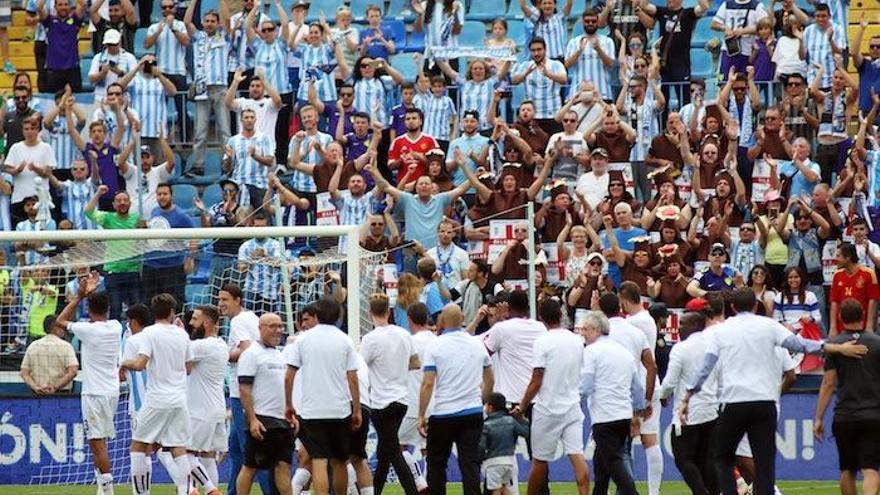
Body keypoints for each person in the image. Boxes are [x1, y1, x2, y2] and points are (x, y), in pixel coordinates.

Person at [682, 287, 869, 495]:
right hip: (764, 403)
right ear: (755, 305)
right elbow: (802, 345)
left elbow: (705, 367)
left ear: (733, 307)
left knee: (722, 457)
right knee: (764, 462)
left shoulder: (721, 330)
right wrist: (838, 348)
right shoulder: (769, 326)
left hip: (734, 402)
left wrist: (688, 395)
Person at [122, 294, 221, 495]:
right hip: (179, 399)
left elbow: (140, 364)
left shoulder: (149, 333)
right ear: (172, 312)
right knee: (178, 448)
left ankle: (141, 494)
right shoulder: (181, 335)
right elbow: (189, 367)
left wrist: (124, 363)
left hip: (157, 398)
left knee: (138, 447)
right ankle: (189, 491)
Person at [284, 297, 362, 495]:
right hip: (339, 409)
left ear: (316, 315)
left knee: (318, 461)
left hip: (312, 410)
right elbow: (353, 378)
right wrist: (357, 410)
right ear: (338, 316)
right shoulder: (345, 340)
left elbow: (289, 376)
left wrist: (288, 404)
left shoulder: (302, 340)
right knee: (340, 461)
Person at [515, 299, 590, 495]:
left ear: (541, 318)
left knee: (539, 461)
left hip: (547, 408)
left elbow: (537, 379)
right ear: (560, 315)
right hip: (572, 406)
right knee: (577, 456)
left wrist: (522, 407)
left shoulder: (542, 341)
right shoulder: (576, 340)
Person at [55, 272, 121, 495]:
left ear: (89, 310)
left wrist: (79, 296)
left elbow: (60, 322)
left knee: (96, 443)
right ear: (109, 309)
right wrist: (90, 296)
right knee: (99, 442)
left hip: (94, 394)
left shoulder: (88, 330)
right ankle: (102, 491)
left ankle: (108, 490)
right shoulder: (116, 326)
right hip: (112, 392)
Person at [418, 303, 493, 495]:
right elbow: (490, 379)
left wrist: (421, 415)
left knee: (436, 463)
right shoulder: (476, 344)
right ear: (462, 319)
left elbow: (427, 383)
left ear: (442, 320)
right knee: (469, 463)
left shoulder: (435, 346)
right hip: (472, 411)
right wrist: (482, 400)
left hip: (443, 412)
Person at [814, 299, 880, 495]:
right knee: (871, 469)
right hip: (873, 415)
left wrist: (818, 417)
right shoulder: (877, 343)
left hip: (845, 415)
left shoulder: (835, 345)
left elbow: (828, 384)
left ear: (841, 318)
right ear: (863, 315)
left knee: (847, 469)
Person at [579, 310, 646, 495]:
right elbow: (637, 388)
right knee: (601, 463)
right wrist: (638, 412)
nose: (582, 333)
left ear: (596, 329)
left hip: (604, 416)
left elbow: (586, 385)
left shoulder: (591, 352)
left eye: (585, 329)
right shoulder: (623, 352)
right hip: (623, 415)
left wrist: (577, 401)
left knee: (613, 462)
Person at [360, 293, 421, 495]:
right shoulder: (403, 334)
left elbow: (360, 366)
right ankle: (375, 490)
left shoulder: (370, 339)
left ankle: (412, 490)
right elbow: (415, 362)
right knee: (385, 450)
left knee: (392, 450)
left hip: (381, 402)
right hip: (402, 399)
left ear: (370, 313)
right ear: (389, 311)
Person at [657, 305, 719, 495]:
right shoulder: (713, 345)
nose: (678, 327)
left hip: (688, 414)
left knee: (683, 459)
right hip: (711, 411)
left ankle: (701, 492)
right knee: (705, 459)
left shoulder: (681, 349)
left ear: (695, 325)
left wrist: (662, 396)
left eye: (683, 323)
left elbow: (669, 382)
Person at [220, 283, 274, 495]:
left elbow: (246, 350)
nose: (221, 304)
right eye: (220, 299)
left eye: (225, 299)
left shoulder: (238, 321)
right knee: (235, 450)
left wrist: (223, 355)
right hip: (247, 390)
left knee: (252, 451)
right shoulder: (251, 317)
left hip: (240, 391)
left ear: (237, 300)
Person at [235, 312, 294, 495]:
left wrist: (291, 413)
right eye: (273, 326)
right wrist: (252, 419)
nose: (278, 330)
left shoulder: (280, 354)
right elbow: (244, 389)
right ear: (260, 329)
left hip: (282, 421)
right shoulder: (251, 354)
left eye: (280, 326)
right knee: (250, 466)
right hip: (262, 420)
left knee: (283, 466)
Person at [184, 0, 232, 177]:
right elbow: (187, 22)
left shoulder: (224, 36)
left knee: (225, 130)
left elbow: (227, 21)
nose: (209, 23)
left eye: (213, 21)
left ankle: (228, 165)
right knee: (200, 131)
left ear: (217, 23)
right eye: (207, 21)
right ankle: (198, 165)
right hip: (202, 88)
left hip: (220, 87)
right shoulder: (198, 37)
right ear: (203, 22)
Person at [185, 306, 229, 492]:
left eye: (194, 319)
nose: (190, 323)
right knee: (207, 457)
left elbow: (180, 363)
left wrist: (177, 333)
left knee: (182, 454)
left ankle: (211, 490)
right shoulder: (220, 344)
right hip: (216, 408)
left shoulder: (202, 346)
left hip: (200, 410)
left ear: (206, 323)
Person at [84, 187, 141, 320]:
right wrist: (98, 193)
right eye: (119, 200)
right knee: (115, 309)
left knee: (136, 309)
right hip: (113, 271)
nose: (122, 202)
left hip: (133, 270)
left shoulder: (136, 219)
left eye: (125, 200)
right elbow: (88, 212)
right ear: (114, 204)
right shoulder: (108, 218)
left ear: (130, 203)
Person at [142, 183, 195, 311]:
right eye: (159, 194)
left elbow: (194, 237)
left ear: (171, 196)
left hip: (173, 267)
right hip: (151, 265)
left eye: (165, 194)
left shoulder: (182, 216)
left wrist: (190, 258)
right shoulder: (154, 212)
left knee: (175, 304)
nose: (162, 197)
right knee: (150, 304)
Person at [399, 303, 434, 492]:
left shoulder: (410, 343)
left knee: (397, 447)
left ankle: (419, 481)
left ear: (409, 319)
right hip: (434, 404)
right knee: (427, 449)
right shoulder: (436, 341)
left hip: (414, 404)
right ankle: (428, 484)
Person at [481, 392, 530, 495]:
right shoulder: (511, 421)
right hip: (509, 462)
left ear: (490, 407)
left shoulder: (486, 425)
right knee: (504, 488)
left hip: (494, 462)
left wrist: (480, 458)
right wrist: (523, 419)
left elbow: (481, 446)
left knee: (496, 490)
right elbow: (525, 433)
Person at [829, 242, 880, 336]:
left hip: (863, 326)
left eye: (838, 256)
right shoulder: (837, 275)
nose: (836, 259)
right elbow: (834, 302)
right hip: (842, 328)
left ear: (848, 257)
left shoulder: (868, 274)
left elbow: (873, 301)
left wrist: (869, 326)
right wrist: (833, 327)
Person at [19, 315, 78, 394]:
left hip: (38, 394)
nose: (64, 330)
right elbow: (73, 371)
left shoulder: (33, 346)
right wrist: (55, 387)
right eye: (62, 327)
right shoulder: (66, 346)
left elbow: (24, 373)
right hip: (62, 396)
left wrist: (36, 388)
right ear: (56, 329)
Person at [37, 0, 86, 92]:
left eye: (66, 4)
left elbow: (83, 4)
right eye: (60, 5)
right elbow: (39, 7)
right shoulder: (49, 20)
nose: (63, 7)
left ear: (69, 6)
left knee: (76, 100)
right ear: (55, 7)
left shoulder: (75, 20)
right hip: (54, 69)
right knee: (52, 101)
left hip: (72, 68)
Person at [88, 29, 139, 103]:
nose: (112, 47)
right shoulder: (98, 57)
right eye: (109, 44)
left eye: (114, 44)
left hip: (122, 98)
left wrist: (121, 73)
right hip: (101, 97)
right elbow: (91, 79)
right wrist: (102, 73)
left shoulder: (129, 57)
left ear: (120, 42)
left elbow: (134, 81)